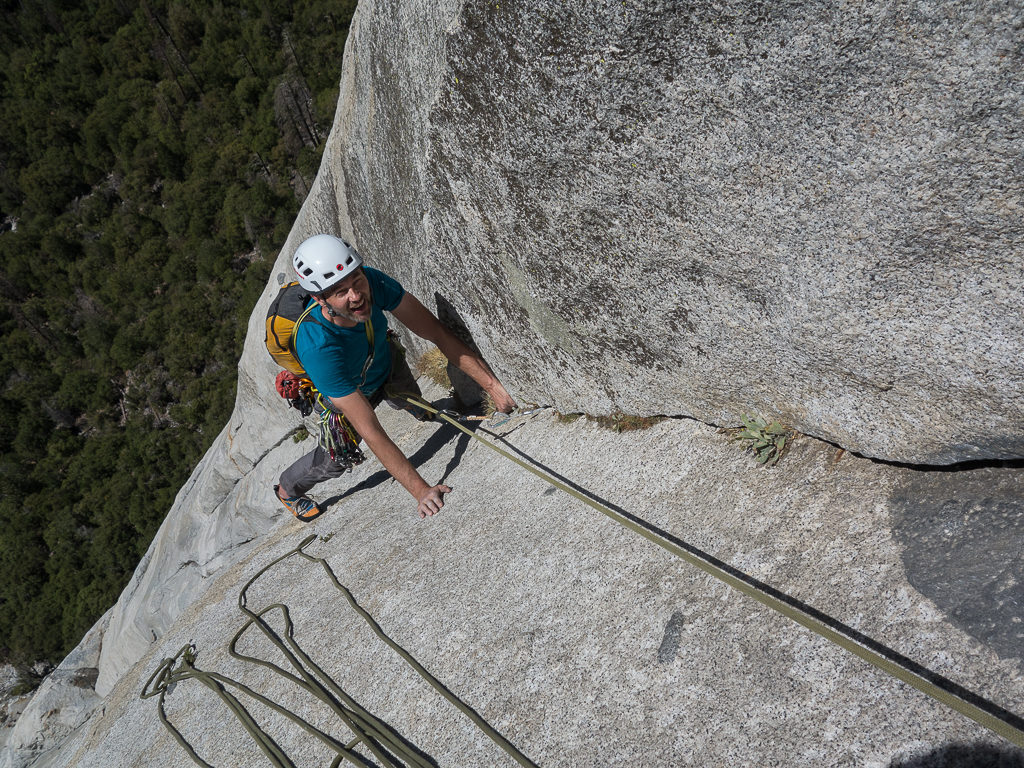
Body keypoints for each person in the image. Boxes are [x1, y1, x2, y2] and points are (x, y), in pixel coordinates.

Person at [274, 234, 517, 522]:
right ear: (319, 298)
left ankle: (411, 404)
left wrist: (494, 387)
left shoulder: (372, 282)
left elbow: (435, 332)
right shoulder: (317, 346)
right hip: (348, 393)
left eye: (356, 280)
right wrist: (421, 491)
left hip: (381, 359)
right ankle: (288, 489)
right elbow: (371, 430)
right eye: (340, 292)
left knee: (408, 393)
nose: (356, 296)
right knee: (335, 460)